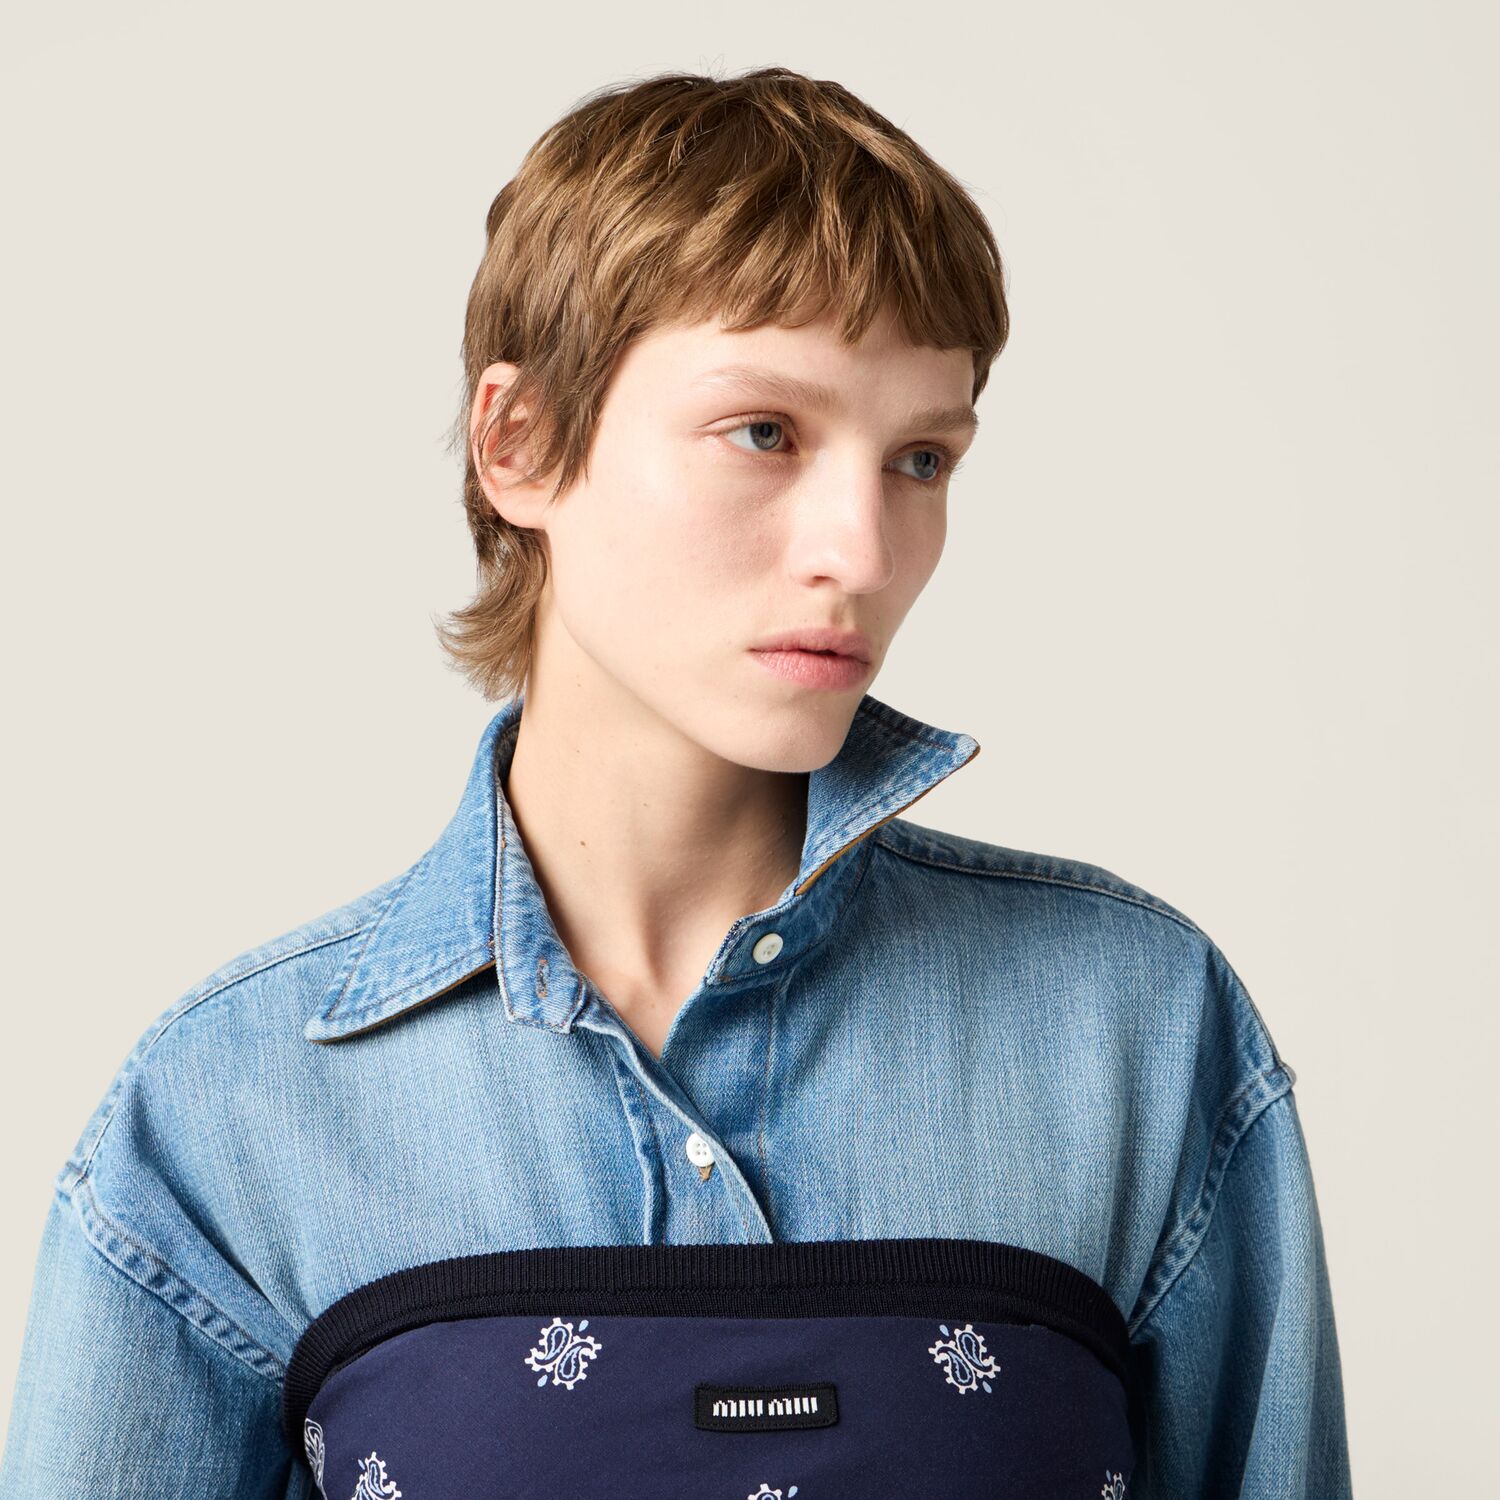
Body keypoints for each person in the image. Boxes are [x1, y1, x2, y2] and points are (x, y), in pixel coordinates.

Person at [0, 65, 1352, 1498]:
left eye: (920, 459)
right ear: (519, 443)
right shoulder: (233, 1111)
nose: (861, 551)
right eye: (766, 432)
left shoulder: (1136, 1033)